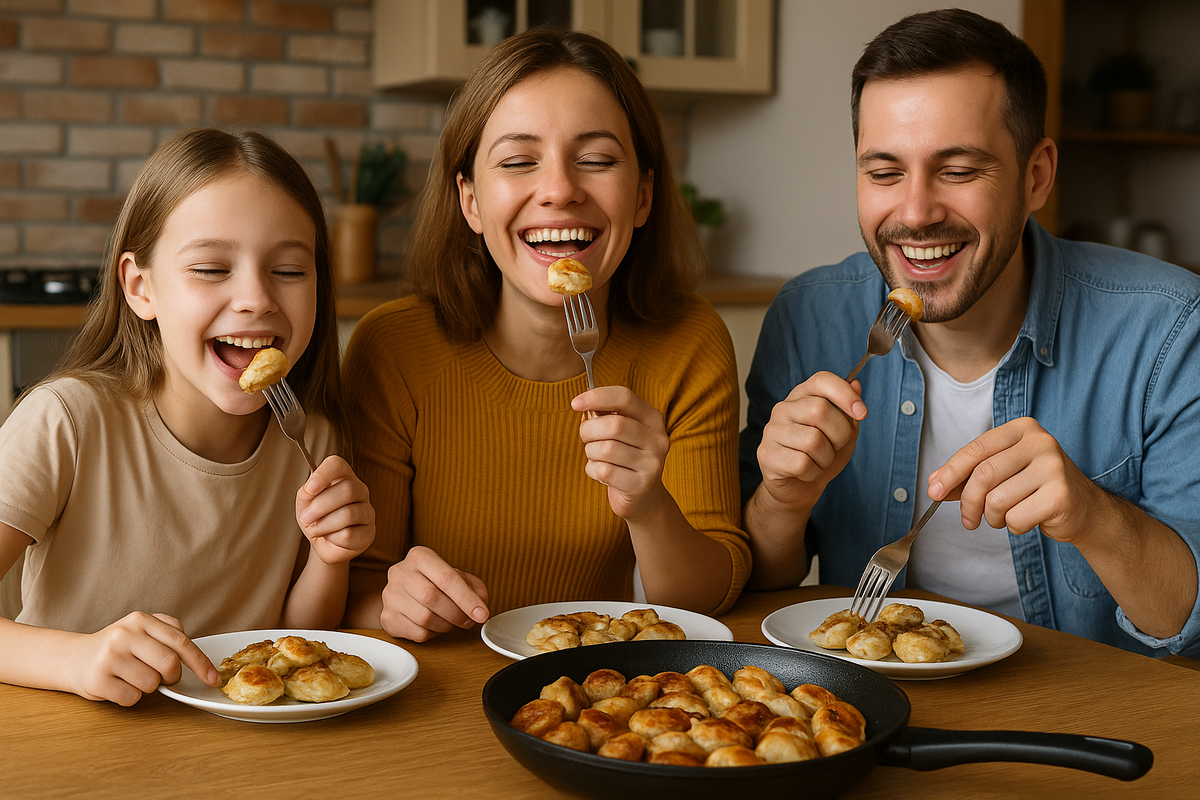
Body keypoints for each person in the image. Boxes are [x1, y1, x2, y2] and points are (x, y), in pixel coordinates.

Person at [740, 9, 1200, 658]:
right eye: (884, 172)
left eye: (957, 171)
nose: (917, 212)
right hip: (868, 707)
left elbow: (1188, 621)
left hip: (1091, 717)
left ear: (1036, 176)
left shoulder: (1169, 330)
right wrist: (782, 500)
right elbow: (755, 584)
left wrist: (1093, 517)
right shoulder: (810, 315)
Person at [342, 28, 751, 641]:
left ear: (642, 194)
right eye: (517, 161)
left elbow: (709, 595)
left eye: (596, 159)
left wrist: (649, 507)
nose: (560, 189)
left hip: (597, 696)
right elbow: (356, 591)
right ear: (471, 201)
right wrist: (393, 602)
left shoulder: (688, 344)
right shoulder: (393, 349)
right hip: (437, 697)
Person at [0, 128, 377, 705]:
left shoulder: (311, 439)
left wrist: (330, 558)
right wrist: (76, 660)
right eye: (210, 268)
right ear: (139, 286)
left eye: (290, 270)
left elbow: (296, 637)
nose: (256, 297)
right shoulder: (66, 424)